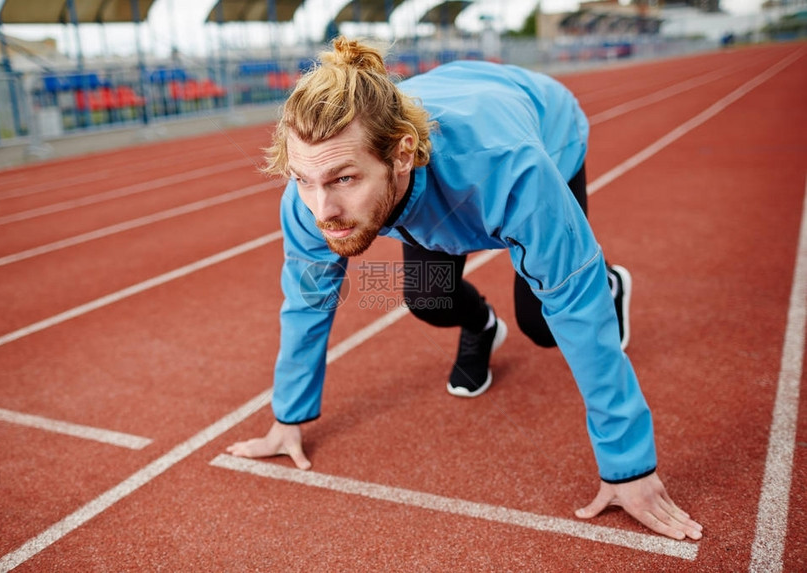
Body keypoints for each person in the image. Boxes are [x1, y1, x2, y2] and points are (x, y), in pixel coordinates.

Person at [228, 37, 703, 542]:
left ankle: (612, 282)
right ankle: (482, 327)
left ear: (402, 154)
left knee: (545, 323)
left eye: (344, 179)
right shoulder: (314, 193)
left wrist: (628, 466)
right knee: (429, 299)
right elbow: (307, 298)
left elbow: (574, 301)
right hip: (435, 174)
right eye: (303, 180)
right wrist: (288, 417)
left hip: (544, 129)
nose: (321, 210)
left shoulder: (511, 170)